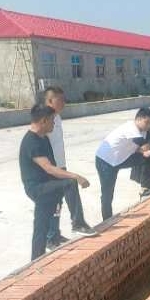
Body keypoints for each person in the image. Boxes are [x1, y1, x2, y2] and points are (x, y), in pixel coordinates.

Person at [19, 105, 91, 260]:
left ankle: (36, 260)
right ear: (43, 121)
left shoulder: (44, 138)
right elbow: (49, 168)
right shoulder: (32, 142)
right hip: (37, 188)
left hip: (48, 186)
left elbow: (52, 167)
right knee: (70, 182)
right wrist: (76, 176)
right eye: (52, 120)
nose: (54, 124)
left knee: (41, 227)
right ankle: (78, 223)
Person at [43, 87, 95, 251]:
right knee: (64, 193)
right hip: (51, 169)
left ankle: (54, 235)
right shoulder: (44, 119)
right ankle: (73, 226)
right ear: (50, 101)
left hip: (60, 164)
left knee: (58, 202)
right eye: (60, 100)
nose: (64, 103)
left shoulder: (57, 117)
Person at [95, 108, 150, 220]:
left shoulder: (143, 131)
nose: (149, 126)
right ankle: (107, 219)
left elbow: (140, 148)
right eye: (147, 122)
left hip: (121, 159)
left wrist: (145, 151)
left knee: (149, 157)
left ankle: (145, 188)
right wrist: (146, 149)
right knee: (108, 192)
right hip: (105, 161)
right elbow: (145, 146)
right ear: (138, 119)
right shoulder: (130, 127)